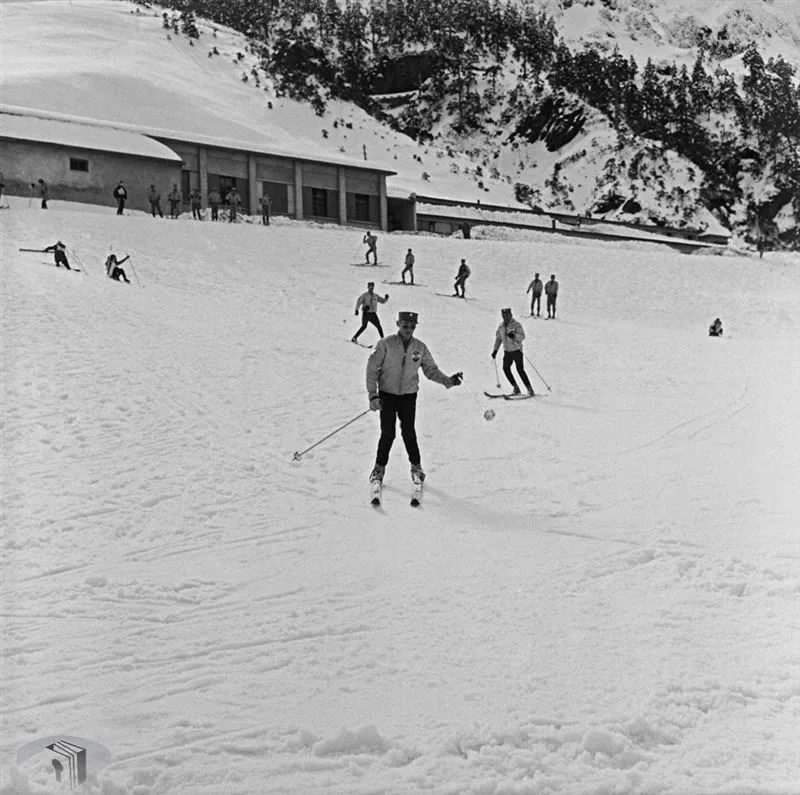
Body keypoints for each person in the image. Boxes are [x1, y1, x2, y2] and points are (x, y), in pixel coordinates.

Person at [366, 310, 463, 484]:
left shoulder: (420, 347)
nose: (408, 329)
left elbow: (430, 370)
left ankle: (416, 467)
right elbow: (372, 368)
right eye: (405, 325)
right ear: (398, 324)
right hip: (387, 395)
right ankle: (378, 469)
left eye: (412, 326)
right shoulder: (386, 344)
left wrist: (448, 381)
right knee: (388, 433)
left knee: (409, 432)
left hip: (408, 396)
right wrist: (373, 396)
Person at [491, 308, 534, 396]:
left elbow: (522, 336)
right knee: (505, 368)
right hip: (507, 352)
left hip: (516, 350)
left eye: (506, 315)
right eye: (503, 316)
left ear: (511, 315)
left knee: (520, 370)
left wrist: (514, 336)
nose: (505, 317)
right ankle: (515, 387)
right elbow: (498, 339)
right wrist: (495, 350)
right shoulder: (501, 326)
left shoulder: (516, 325)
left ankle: (529, 389)